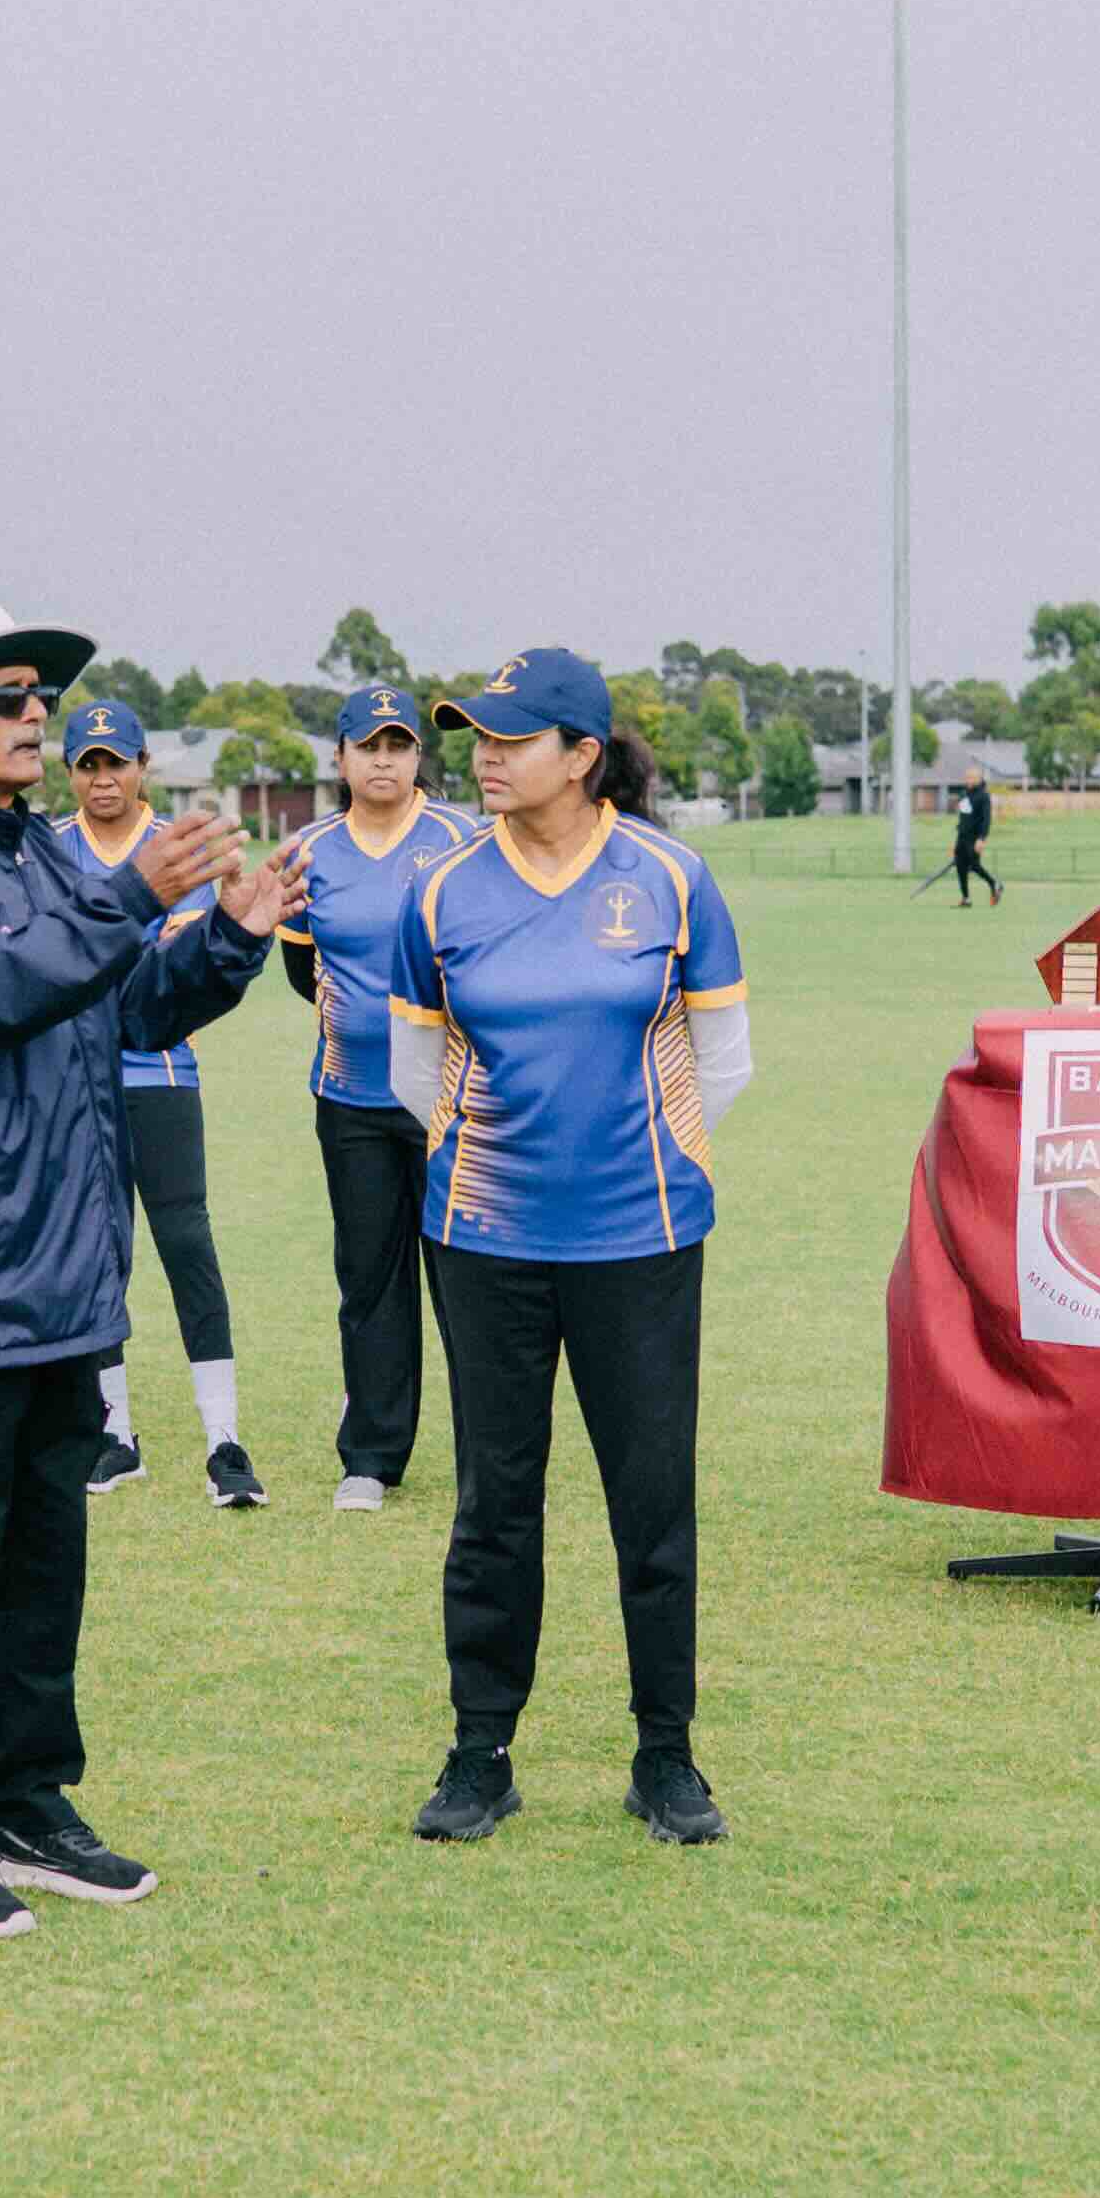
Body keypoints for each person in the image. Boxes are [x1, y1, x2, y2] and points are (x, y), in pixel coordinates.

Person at [0, 595, 291, 1939]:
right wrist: (127, 896)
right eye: (6, 697)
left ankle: (21, 1802)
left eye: (39, 696)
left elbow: (117, 1001)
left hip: (54, 1280)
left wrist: (227, 937)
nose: (37, 717)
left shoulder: (32, 853)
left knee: (41, 1571)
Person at [392, 649, 751, 1851]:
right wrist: (487, 1172)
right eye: (474, 737)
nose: (484, 755)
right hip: (483, 1242)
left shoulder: (671, 879)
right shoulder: (441, 892)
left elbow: (723, 1057)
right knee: (494, 1503)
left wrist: (655, 1168)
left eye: (511, 737)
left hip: (639, 1241)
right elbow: (415, 1070)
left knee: (650, 1504)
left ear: (583, 754)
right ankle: (479, 1755)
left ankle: (666, 1757)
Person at [279, 682, 481, 1513]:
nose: (385, 760)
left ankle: (489, 1457)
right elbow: (301, 967)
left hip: (448, 1103)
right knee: (369, 1279)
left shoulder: (464, 838)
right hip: (352, 1099)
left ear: (417, 757)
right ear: (342, 758)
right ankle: (371, 1455)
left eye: (399, 746)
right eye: (370, 747)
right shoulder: (309, 849)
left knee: (468, 1282)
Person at [58, 698, 265, 1508]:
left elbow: (169, 970)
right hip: (78, 1083)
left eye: (116, 761)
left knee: (188, 1247)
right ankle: (114, 1433)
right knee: (96, 1257)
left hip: (163, 1074)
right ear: (69, 771)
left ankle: (223, 1441)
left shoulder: (176, 847)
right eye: (87, 763)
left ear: (144, 767)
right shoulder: (48, 849)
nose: (102, 777)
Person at [947, 764, 1002, 906]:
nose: (968, 780)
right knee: (960, 866)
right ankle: (966, 898)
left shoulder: (983, 796)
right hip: (962, 836)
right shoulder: (964, 794)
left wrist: (982, 839)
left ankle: (994, 884)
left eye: (972, 777)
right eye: (967, 777)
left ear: (979, 778)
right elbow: (963, 818)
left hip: (975, 838)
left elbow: (986, 819)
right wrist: (956, 841)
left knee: (974, 865)